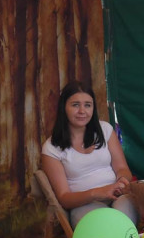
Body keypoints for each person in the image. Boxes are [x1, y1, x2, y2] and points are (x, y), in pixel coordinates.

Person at [41, 81, 138, 227]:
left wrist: (122, 181)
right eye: (75, 105)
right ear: (63, 108)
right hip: (84, 204)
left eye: (87, 105)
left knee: (123, 220)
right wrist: (97, 193)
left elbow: (122, 168)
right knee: (102, 226)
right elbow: (64, 198)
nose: (82, 111)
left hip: (118, 196)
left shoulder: (105, 130)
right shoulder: (52, 148)